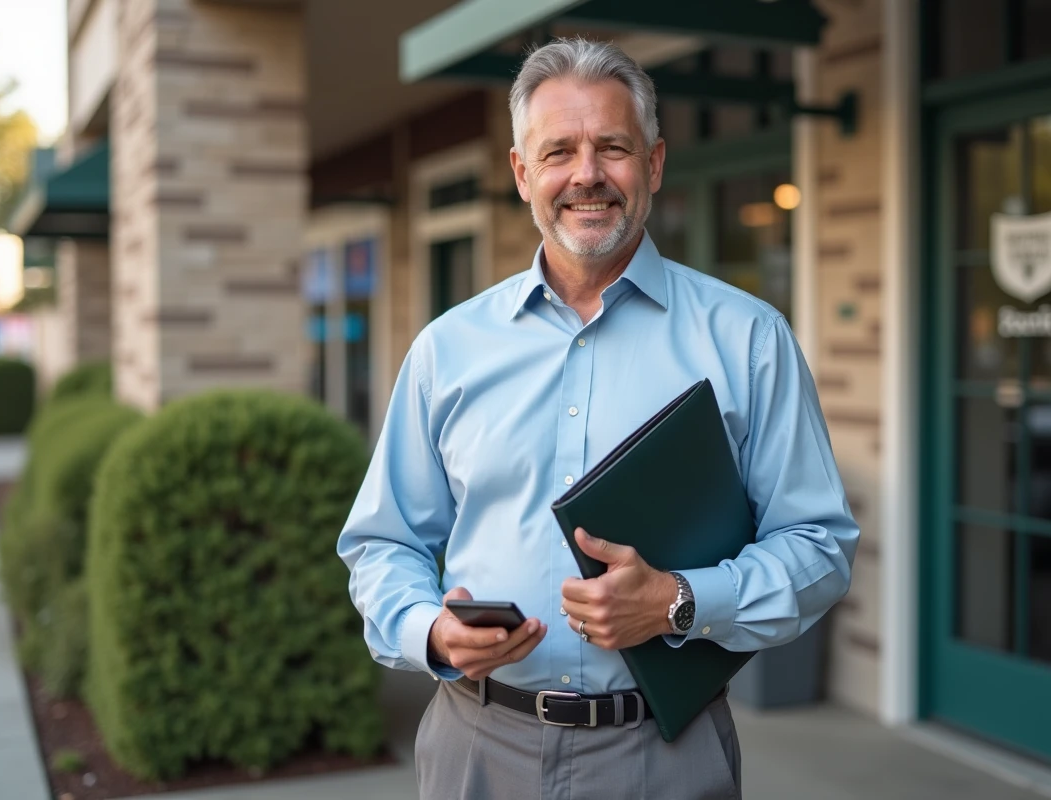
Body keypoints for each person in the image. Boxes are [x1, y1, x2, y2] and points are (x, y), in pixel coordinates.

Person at [337, 36, 859, 800]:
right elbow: (383, 545)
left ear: (652, 163)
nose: (586, 174)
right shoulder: (446, 349)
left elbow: (819, 547)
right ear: (522, 174)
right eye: (558, 152)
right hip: (475, 750)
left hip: (666, 753)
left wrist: (681, 599)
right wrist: (429, 630)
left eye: (612, 147)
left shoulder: (748, 340)